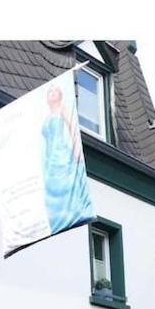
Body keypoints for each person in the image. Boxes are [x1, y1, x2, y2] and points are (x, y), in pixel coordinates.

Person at [41, 84, 95, 234]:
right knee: (51, 190)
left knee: (64, 186)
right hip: (50, 156)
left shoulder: (62, 109)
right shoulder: (47, 116)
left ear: (60, 95)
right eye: (50, 91)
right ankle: (54, 220)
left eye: (54, 91)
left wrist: (77, 148)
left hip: (61, 152)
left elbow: (72, 128)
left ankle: (69, 213)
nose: (52, 93)